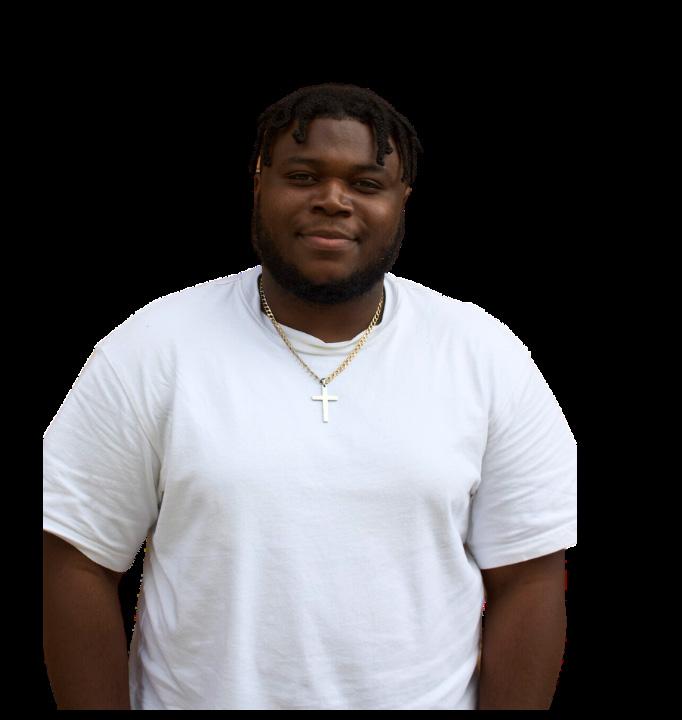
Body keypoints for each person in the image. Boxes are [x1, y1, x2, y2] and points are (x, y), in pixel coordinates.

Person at [43, 82, 577, 710]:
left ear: (402, 200)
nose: (333, 200)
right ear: (259, 185)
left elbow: (529, 576)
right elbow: (76, 559)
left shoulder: (485, 355)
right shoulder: (153, 348)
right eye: (303, 176)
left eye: (366, 184)